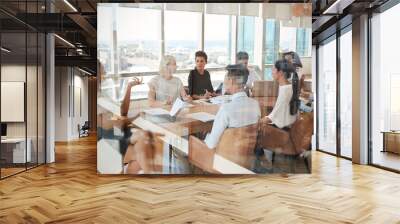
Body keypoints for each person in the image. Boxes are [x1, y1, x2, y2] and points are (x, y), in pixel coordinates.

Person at [204, 64, 261, 149]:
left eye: (226, 77)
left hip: (225, 157)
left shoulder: (226, 109)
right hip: (247, 156)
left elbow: (211, 144)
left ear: (230, 81)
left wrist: (206, 137)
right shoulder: (255, 104)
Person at [260, 59, 300, 129]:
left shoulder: (285, 91)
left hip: (284, 130)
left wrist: (257, 122)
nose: (272, 72)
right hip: (291, 125)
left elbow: (272, 117)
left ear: (280, 72)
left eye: (273, 70)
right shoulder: (289, 86)